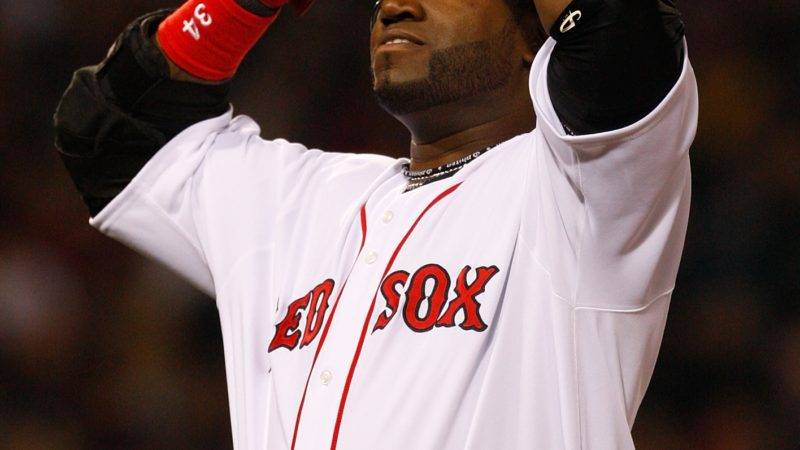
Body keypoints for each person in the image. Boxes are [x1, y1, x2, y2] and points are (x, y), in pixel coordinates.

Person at [53, 0, 697, 448]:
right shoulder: (298, 204)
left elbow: (623, 40)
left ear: (536, 33)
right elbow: (112, 130)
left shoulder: (586, 191)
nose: (395, 7)